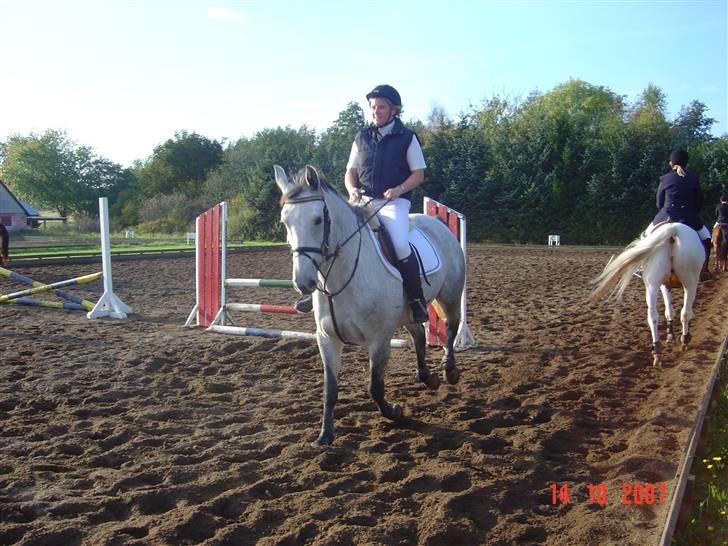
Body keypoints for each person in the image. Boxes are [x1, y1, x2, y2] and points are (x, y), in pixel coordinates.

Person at [295, 84, 429, 323]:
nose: (376, 111)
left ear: (394, 110)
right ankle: (317, 294)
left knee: (399, 244)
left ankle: (416, 300)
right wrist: (352, 189)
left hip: (393, 203)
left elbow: (418, 174)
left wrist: (399, 189)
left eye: (382, 107)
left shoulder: (407, 138)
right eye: (373, 107)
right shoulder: (362, 137)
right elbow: (350, 172)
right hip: (362, 199)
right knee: (332, 236)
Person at [649, 148, 712, 278]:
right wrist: (693, 212)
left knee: (645, 236)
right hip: (689, 217)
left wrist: (663, 212)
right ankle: (704, 269)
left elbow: (659, 203)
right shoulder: (693, 179)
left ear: (671, 163)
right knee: (706, 238)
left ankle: (642, 267)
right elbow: (699, 201)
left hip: (666, 215)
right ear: (686, 163)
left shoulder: (665, 179)